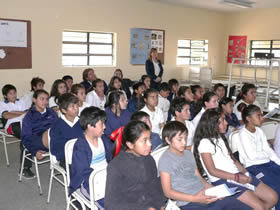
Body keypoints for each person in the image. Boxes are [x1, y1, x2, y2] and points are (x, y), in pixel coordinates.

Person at [193, 108, 278, 210]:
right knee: (259, 207)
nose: (226, 123)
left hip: (236, 175)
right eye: (222, 121)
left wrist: (245, 173)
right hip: (223, 180)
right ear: (213, 124)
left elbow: (233, 160)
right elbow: (212, 171)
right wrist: (236, 177)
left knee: (273, 197)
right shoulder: (205, 143)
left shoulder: (220, 138)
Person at [159, 121, 251, 210]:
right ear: (168, 140)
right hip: (188, 202)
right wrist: (195, 198)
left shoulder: (188, 154)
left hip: (206, 194)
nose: (184, 142)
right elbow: (168, 192)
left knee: (243, 207)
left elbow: (200, 178)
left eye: (185, 138)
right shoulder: (165, 160)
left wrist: (215, 191)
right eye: (179, 139)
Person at [105, 121, 166, 210]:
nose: (150, 144)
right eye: (144, 140)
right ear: (130, 145)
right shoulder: (116, 166)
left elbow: (154, 187)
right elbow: (110, 204)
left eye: (149, 139)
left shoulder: (149, 159)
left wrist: (160, 205)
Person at [238, 104, 280, 209]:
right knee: (277, 187)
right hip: (254, 167)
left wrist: (277, 162)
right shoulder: (243, 134)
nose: (262, 118)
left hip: (267, 163)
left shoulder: (260, 131)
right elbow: (252, 156)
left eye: (261, 115)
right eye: (258, 116)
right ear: (248, 118)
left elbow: (268, 149)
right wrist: (267, 155)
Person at [69, 107, 111, 207]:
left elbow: (113, 155)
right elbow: (82, 172)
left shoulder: (103, 139)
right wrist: (102, 177)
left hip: (106, 176)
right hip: (88, 182)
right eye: (101, 124)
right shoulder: (80, 147)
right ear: (90, 126)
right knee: (110, 204)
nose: (104, 127)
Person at [21, 90, 58, 178]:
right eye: (42, 99)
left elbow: (58, 127)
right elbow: (26, 137)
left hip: (53, 139)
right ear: (34, 100)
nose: (45, 102)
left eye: (46, 99)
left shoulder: (51, 112)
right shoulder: (29, 116)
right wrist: (34, 151)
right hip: (37, 140)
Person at [50, 93, 84, 168]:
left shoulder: (82, 121)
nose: (76, 108)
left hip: (82, 153)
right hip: (66, 157)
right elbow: (55, 148)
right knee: (78, 168)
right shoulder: (57, 126)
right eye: (72, 107)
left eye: (77, 105)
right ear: (64, 110)